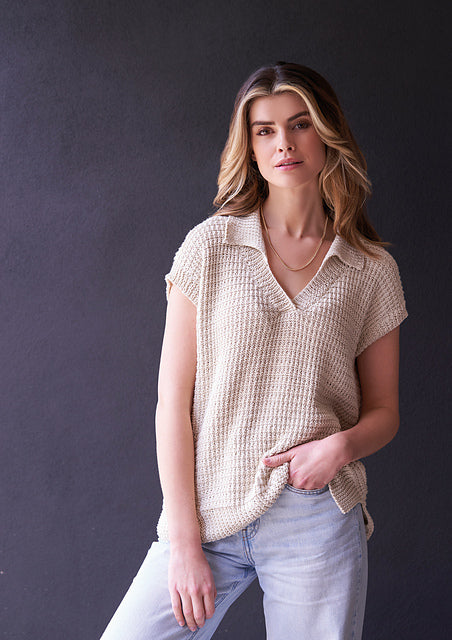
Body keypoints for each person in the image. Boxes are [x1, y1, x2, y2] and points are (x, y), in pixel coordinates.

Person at [100, 62, 408, 640]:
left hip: (314, 516)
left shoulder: (370, 270)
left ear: (327, 133)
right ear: (250, 147)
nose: (283, 143)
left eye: (299, 124)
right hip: (207, 513)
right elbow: (172, 404)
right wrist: (184, 542)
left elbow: (385, 411)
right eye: (264, 130)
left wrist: (339, 447)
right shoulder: (209, 248)